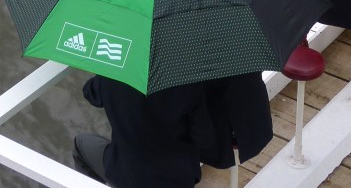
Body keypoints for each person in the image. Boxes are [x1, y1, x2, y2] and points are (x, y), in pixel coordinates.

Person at [73, 72, 273, 188]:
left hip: (128, 174)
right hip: (179, 177)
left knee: (80, 145)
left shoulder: (115, 74)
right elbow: (204, 139)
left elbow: (90, 93)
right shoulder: (186, 83)